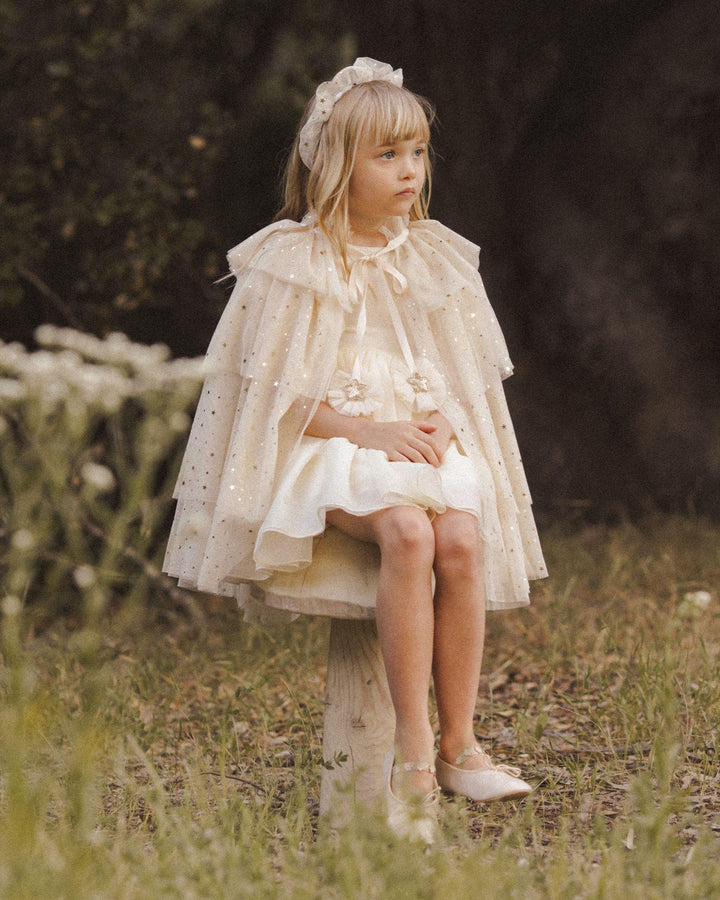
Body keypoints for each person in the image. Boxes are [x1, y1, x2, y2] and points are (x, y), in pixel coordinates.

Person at [164, 57, 547, 842]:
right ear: (338, 163)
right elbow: (268, 391)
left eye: (417, 153)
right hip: (332, 446)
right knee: (406, 531)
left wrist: (443, 419)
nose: (410, 171)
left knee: (461, 535)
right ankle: (411, 757)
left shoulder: (430, 255)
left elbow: (458, 370)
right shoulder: (293, 259)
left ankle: (461, 746)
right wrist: (365, 430)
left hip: (413, 444)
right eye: (387, 155)